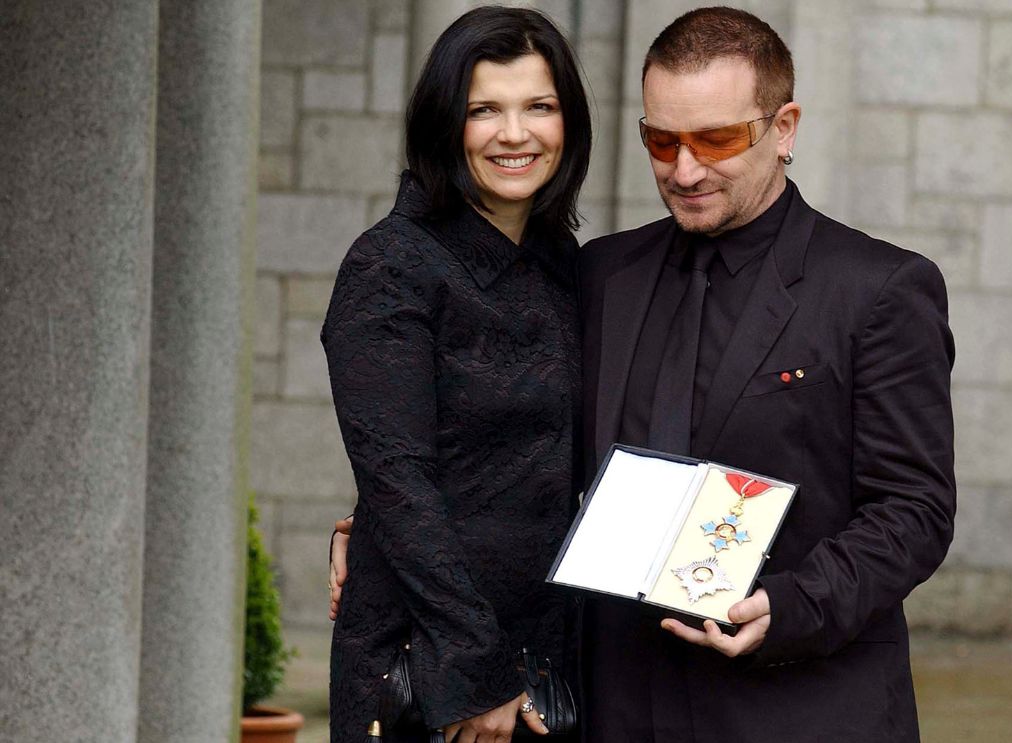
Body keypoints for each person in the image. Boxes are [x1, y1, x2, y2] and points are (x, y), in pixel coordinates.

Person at [335, 7, 955, 742]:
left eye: (717, 139)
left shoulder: (879, 288)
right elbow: (509, 438)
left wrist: (791, 605)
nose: (685, 169)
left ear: (783, 127)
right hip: (609, 701)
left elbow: (915, 507)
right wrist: (376, 530)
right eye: (662, 141)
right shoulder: (598, 272)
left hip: (797, 704)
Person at [320, 6, 590, 743]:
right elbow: (398, 478)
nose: (515, 133)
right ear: (445, 124)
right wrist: (478, 665)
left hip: (548, 655)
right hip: (434, 664)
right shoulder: (390, 266)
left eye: (539, 106)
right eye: (484, 111)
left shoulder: (565, 266)